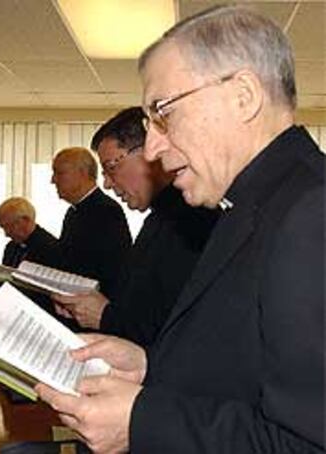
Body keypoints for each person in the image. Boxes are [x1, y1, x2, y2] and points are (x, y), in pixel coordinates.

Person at [36, 5, 325, 453]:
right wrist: (150, 368)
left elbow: (306, 443)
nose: (152, 147)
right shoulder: (252, 203)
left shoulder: (313, 214)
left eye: (163, 113)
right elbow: (246, 374)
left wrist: (141, 421)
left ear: (243, 96)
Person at [52, 107, 217, 346]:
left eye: (111, 167)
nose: (107, 183)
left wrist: (105, 316)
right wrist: (90, 307)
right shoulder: (161, 218)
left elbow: (179, 331)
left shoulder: (192, 221)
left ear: (150, 150)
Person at [51, 147, 131, 299]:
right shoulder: (72, 213)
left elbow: (113, 272)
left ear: (83, 173)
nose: (53, 180)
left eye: (59, 173)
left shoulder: (107, 212)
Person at [0, 197, 59, 268]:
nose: (6, 233)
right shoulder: (11, 248)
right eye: (3, 227)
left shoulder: (50, 248)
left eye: (10, 226)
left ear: (26, 221)